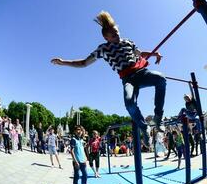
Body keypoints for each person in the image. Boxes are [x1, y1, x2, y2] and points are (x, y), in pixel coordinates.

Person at [51, 11, 167, 146]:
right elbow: (84, 63)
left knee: (161, 79)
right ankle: (144, 127)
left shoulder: (128, 42)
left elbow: (140, 53)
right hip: (128, 79)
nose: (117, 35)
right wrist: (64, 62)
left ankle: (158, 117)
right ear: (106, 38)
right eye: (113, 35)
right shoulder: (103, 49)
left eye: (117, 32)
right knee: (129, 103)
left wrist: (154, 54)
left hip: (141, 73)